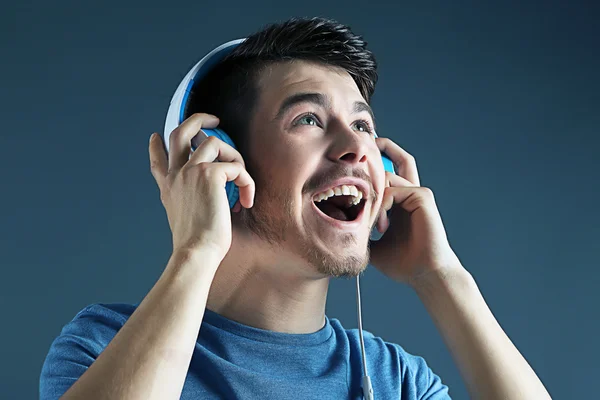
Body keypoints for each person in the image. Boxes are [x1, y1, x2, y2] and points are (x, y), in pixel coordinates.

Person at [40, 17, 551, 400]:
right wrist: (195, 252)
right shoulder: (104, 347)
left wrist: (442, 278)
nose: (355, 147)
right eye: (308, 118)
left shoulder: (395, 381)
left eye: (364, 125)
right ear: (219, 158)